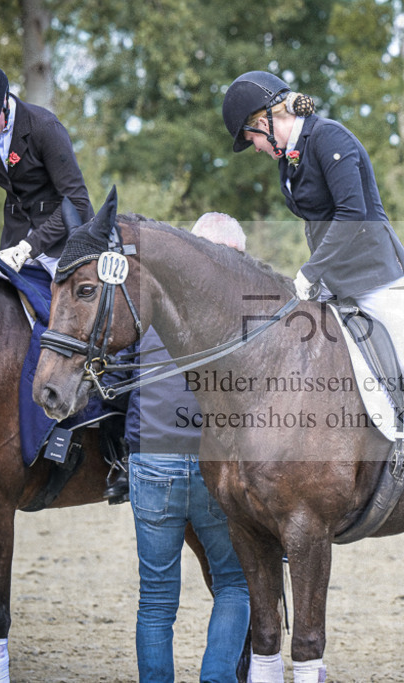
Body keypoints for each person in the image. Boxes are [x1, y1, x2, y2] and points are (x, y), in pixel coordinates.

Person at [219, 70, 404, 521]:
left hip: (376, 278)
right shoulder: (289, 159)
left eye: (251, 136)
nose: (253, 147)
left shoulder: (332, 139)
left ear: (266, 118)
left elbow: (354, 216)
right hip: (333, 282)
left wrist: (310, 272)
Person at [126, 213, 251, 682]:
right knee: (234, 583)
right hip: (210, 463)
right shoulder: (241, 311)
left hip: (152, 456)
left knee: (156, 598)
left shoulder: (150, 301)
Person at [0, 57, 93, 276]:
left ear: (4, 101)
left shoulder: (45, 128)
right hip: (14, 241)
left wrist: (28, 247)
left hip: (64, 240)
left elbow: (77, 200)